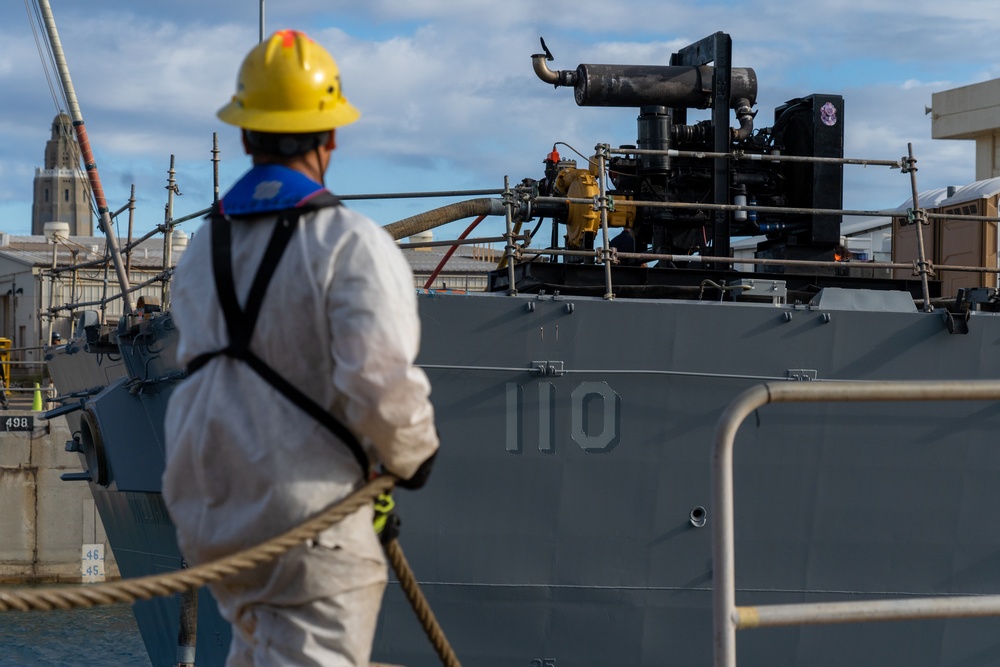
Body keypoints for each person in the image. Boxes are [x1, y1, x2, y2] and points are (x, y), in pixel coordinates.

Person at [162, 29, 439, 666]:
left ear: (244, 135)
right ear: (331, 137)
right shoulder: (352, 243)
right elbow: (380, 383)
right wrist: (415, 458)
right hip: (308, 526)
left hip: (215, 517)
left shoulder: (204, 248)